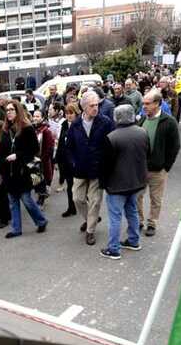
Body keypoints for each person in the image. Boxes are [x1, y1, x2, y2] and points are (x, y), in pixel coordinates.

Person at [99, 104, 149, 259]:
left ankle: (114, 249)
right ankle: (134, 241)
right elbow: (148, 154)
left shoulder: (112, 137)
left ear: (116, 118)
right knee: (132, 211)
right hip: (136, 182)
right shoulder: (142, 132)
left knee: (115, 217)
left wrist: (104, 184)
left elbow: (105, 165)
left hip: (117, 185)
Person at [65, 90, 114, 246]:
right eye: (92, 106)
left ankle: (90, 231)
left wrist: (106, 163)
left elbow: (112, 143)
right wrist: (73, 162)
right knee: (77, 198)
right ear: (84, 107)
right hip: (80, 169)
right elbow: (69, 147)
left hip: (97, 169)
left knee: (95, 201)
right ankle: (90, 219)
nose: (96, 108)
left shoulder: (105, 122)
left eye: (97, 105)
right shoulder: (76, 124)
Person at [0, 101, 48, 238]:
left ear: (17, 110)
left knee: (26, 200)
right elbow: (0, 152)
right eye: (7, 110)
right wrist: (0, 171)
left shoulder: (27, 128)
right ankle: (16, 229)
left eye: (11, 109)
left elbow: (34, 149)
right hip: (9, 172)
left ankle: (41, 221)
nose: (8, 112)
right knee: (13, 201)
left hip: (22, 171)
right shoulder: (6, 130)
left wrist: (18, 155)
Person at [136, 89, 181, 237]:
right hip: (141, 168)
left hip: (158, 169)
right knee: (137, 196)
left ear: (157, 103)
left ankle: (152, 223)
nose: (144, 106)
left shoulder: (169, 122)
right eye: (143, 103)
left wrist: (166, 166)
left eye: (147, 103)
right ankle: (139, 221)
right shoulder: (141, 120)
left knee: (156, 199)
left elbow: (175, 146)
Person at [54, 102, 79, 217]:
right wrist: (57, 159)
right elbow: (60, 143)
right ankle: (71, 207)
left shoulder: (80, 124)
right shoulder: (64, 124)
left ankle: (86, 207)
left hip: (77, 161)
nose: (69, 115)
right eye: (67, 113)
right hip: (66, 161)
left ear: (76, 113)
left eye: (71, 113)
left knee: (80, 186)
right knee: (69, 186)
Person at [31, 108, 55, 205]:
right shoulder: (32, 129)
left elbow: (49, 148)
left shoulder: (46, 131)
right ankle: (41, 195)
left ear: (43, 118)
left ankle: (41, 198)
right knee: (36, 180)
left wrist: (41, 160)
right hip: (34, 160)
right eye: (34, 116)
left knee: (42, 180)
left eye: (38, 116)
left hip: (43, 161)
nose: (35, 118)